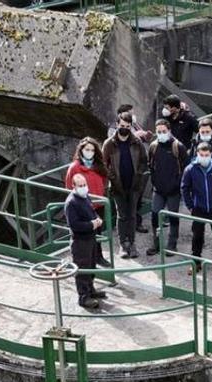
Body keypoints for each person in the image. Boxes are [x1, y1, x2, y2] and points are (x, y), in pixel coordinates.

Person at [103, 113, 148, 259]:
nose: (125, 129)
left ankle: (132, 243)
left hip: (134, 185)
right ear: (117, 125)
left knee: (132, 215)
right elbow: (104, 164)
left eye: (128, 127)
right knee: (122, 215)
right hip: (117, 186)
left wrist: (139, 174)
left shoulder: (137, 142)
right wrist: (113, 177)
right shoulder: (109, 143)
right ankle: (123, 244)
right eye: (122, 126)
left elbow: (143, 160)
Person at [181, 143, 212, 272]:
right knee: (197, 236)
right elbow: (185, 188)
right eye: (201, 155)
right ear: (197, 154)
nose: (204, 157)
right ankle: (195, 262)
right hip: (199, 209)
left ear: (211, 154)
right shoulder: (190, 169)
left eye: (206, 155)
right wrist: (191, 206)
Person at [63, 137, 110, 266]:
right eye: (87, 149)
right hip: (83, 205)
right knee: (87, 234)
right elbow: (69, 186)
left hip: (98, 204)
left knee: (98, 233)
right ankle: (89, 259)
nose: (90, 152)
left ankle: (98, 256)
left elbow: (104, 180)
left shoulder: (98, 165)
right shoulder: (75, 167)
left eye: (92, 150)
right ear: (81, 150)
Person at [147, 119, 187, 256]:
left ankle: (172, 244)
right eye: (159, 132)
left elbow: (185, 168)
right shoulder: (153, 147)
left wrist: (177, 184)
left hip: (174, 191)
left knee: (173, 217)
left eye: (164, 131)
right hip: (158, 190)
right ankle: (156, 242)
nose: (161, 134)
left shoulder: (178, 147)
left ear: (169, 131)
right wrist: (155, 182)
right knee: (154, 215)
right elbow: (151, 166)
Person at [65, 174, 105, 309]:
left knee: (91, 264)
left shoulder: (85, 197)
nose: (83, 188)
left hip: (90, 238)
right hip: (80, 241)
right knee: (82, 268)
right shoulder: (71, 203)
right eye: (80, 186)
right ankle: (84, 297)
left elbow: (92, 211)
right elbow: (74, 225)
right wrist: (91, 224)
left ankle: (91, 290)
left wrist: (97, 219)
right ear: (74, 187)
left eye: (84, 185)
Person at [117, 103, 154, 234]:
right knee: (125, 200)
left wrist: (145, 135)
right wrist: (135, 135)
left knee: (137, 197)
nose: (133, 116)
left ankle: (136, 223)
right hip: (125, 170)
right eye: (130, 113)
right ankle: (125, 226)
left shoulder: (135, 126)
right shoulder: (115, 130)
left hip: (140, 167)